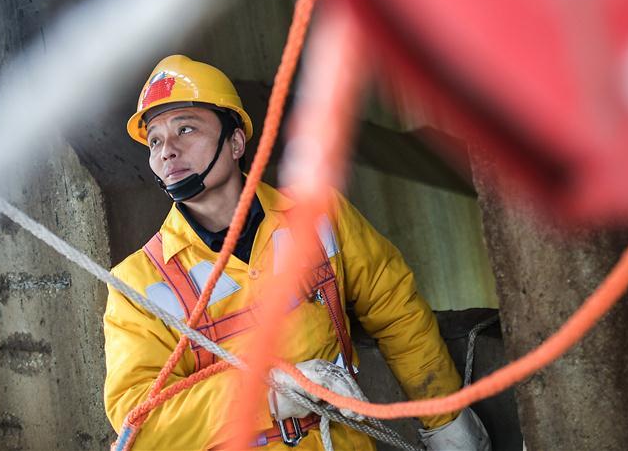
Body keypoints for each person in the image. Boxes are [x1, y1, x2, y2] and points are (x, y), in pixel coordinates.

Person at [103, 55, 491, 450]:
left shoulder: (320, 217)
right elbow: (138, 421)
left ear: (235, 142)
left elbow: (395, 309)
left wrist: (443, 417)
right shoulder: (138, 284)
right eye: (155, 140)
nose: (167, 150)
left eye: (186, 129)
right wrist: (268, 393)